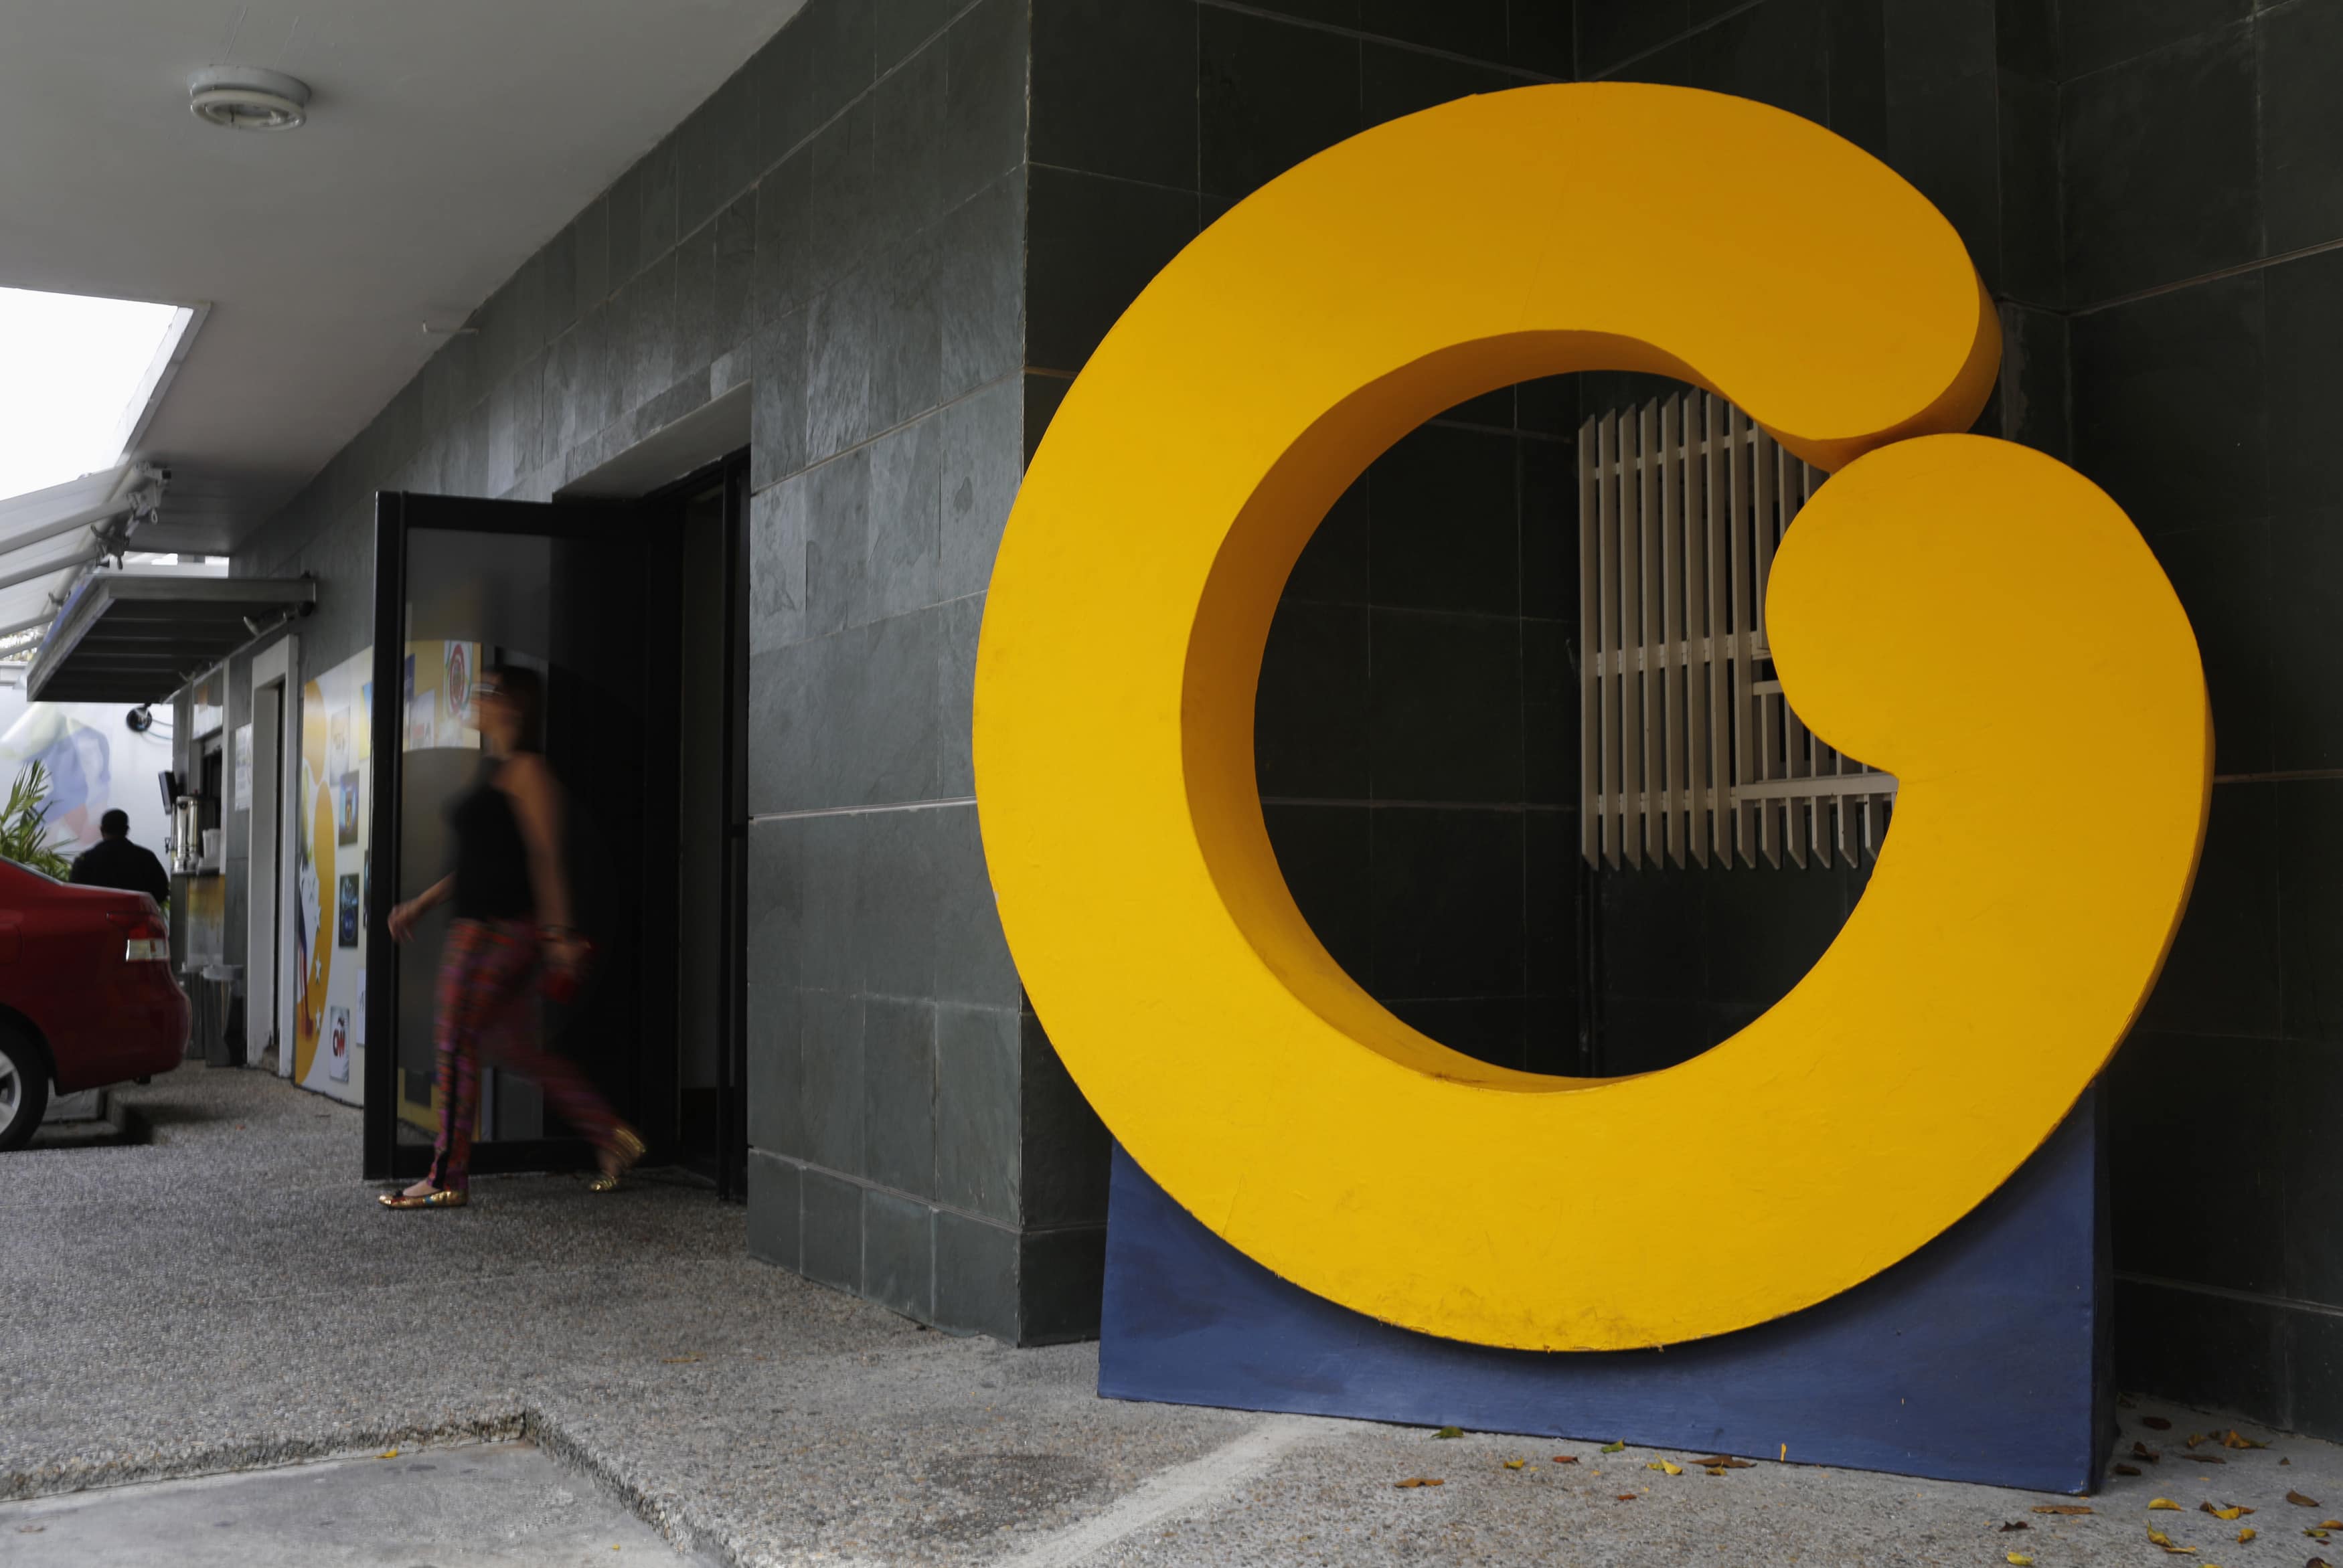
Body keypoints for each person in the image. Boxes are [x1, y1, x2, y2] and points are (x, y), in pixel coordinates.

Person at [378, 665, 641, 1210]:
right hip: (488, 927)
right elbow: (477, 865)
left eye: (488, 690)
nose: (476, 697)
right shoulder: (494, 773)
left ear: (515, 707)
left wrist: (560, 933)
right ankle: (612, 1136)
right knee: (520, 1049)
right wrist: (421, 905)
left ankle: (447, 1175)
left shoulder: (528, 773)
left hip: (493, 934)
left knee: (453, 1042)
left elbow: (546, 858)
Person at [69, 808, 170, 905]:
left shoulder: (84, 860)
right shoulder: (146, 857)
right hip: (137, 919)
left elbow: (75, 894)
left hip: (97, 920)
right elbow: (161, 893)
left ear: (102, 829)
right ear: (126, 830)